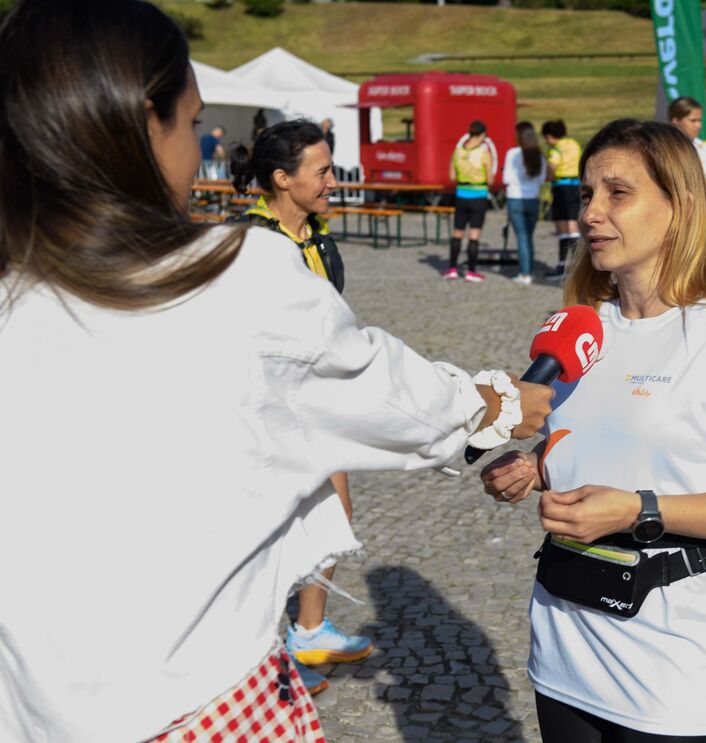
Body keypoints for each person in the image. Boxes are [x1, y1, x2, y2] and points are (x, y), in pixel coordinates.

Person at [0, 2, 553, 741]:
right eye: (191, 123)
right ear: (141, 125)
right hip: (194, 706)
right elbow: (390, 395)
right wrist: (498, 401)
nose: (196, 151)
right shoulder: (236, 274)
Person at [480, 119, 706, 742]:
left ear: (679, 205)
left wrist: (637, 510)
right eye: (586, 194)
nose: (591, 214)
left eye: (618, 193)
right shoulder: (581, 326)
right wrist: (536, 466)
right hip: (564, 651)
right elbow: (600, 438)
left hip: (671, 671)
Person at [229, 119, 363, 697]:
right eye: (323, 171)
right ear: (282, 179)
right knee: (267, 531)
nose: (334, 181)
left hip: (317, 402)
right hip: (265, 411)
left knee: (334, 513)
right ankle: (255, 656)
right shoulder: (249, 242)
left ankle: (309, 629)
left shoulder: (318, 235)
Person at [444, 120, 494, 282]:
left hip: (461, 194)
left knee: (457, 233)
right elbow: (490, 179)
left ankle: (452, 268)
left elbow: (451, 176)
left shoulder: (458, 151)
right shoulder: (484, 153)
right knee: (474, 234)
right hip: (478, 194)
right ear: (482, 135)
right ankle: (471, 271)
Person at [503, 122, 548, 286]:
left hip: (515, 198)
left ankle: (525, 273)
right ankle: (529, 270)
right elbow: (542, 179)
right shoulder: (540, 155)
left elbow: (506, 179)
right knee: (529, 237)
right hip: (533, 199)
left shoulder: (513, 153)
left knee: (522, 237)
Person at [541, 119, 582, 281]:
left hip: (561, 187)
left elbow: (552, 167)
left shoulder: (555, 149)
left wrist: (547, 177)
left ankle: (562, 265)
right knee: (574, 225)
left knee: (563, 227)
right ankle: (578, 264)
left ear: (549, 136)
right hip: (576, 185)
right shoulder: (573, 144)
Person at [668, 96, 706, 182]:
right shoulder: (664, 149)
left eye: (700, 121)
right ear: (676, 121)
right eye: (693, 121)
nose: (698, 125)